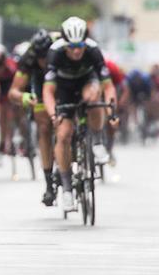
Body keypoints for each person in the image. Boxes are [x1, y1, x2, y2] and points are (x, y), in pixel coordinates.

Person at [42, 16, 118, 213]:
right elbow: (48, 92)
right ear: (65, 43)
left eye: (80, 46)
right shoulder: (55, 53)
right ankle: (67, 188)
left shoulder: (93, 50)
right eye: (72, 46)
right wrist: (53, 115)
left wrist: (112, 111)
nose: (76, 51)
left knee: (93, 97)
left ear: (86, 42)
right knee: (64, 134)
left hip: (87, 81)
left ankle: (98, 141)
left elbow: (108, 87)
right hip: (64, 88)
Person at [10, 29, 57, 205]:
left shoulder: (60, 50)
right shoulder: (29, 57)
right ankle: (49, 183)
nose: (43, 61)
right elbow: (13, 91)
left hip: (63, 81)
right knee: (44, 128)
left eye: (46, 57)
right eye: (40, 58)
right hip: (40, 84)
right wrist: (23, 97)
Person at [0, 43, 18, 155]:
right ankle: (2, 141)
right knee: (1, 116)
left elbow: (17, 83)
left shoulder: (11, 65)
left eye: (0, 65)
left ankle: (10, 141)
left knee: (9, 114)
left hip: (9, 84)